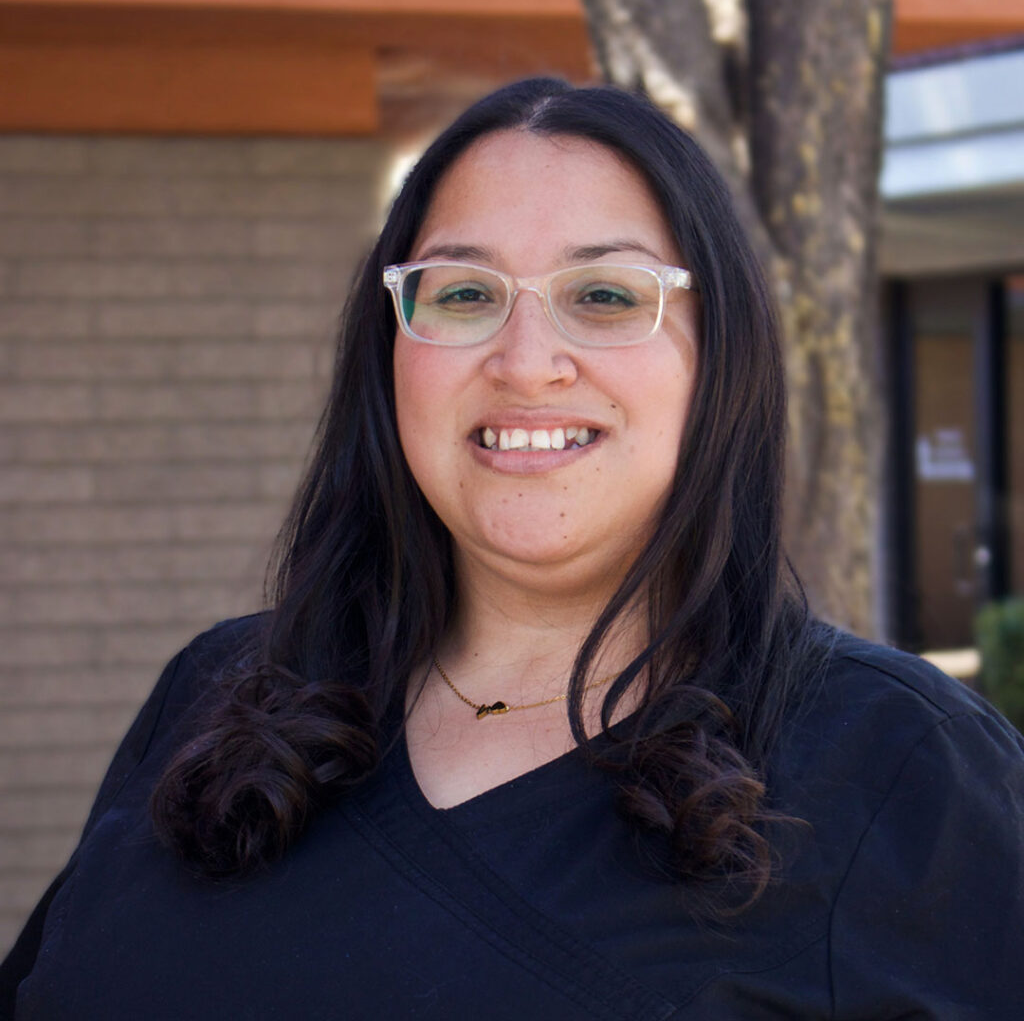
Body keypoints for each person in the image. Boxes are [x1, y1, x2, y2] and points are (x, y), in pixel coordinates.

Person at [2, 77, 1023, 1020]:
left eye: (607, 296)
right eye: (462, 294)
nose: (527, 363)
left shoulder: (900, 770)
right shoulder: (218, 693)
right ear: (389, 351)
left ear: (722, 359)